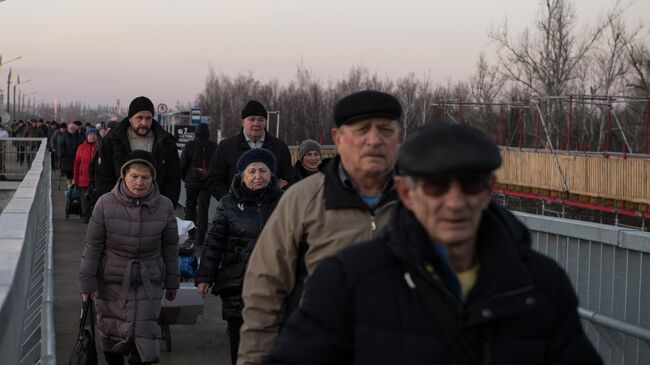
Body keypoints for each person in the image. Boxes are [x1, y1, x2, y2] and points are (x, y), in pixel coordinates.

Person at [265, 122, 603, 365]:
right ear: (406, 194)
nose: (455, 202)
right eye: (437, 187)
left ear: (489, 190)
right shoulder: (347, 280)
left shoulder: (543, 286)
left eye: (470, 186)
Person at [237, 90, 403, 365]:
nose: (374, 140)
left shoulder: (423, 202)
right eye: (362, 130)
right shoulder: (303, 199)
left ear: (399, 139)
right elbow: (264, 289)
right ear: (338, 139)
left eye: (385, 129)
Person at [79, 150, 180, 365]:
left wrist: (173, 280)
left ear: (153, 179)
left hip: (148, 280)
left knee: (144, 338)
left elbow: (170, 248)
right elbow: (93, 247)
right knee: (112, 334)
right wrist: (87, 283)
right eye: (134, 176)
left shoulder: (164, 206)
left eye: (145, 177)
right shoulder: (105, 203)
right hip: (112, 281)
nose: (139, 182)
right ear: (124, 175)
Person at [195, 148, 283, 365]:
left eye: (263, 171)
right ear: (242, 175)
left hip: (276, 283)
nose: (257, 176)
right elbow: (214, 242)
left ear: (271, 174)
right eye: (251, 171)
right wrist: (205, 275)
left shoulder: (286, 201)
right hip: (237, 283)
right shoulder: (228, 203)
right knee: (241, 345)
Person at [94, 96, 181, 207]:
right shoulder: (112, 141)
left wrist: (166, 207)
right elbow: (103, 178)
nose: (144, 123)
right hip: (119, 210)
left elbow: (173, 180)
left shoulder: (165, 142)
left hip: (155, 210)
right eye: (139, 118)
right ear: (130, 118)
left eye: (148, 118)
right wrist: (109, 207)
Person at [206, 100, 294, 201]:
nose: (256, 123)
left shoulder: (279, 147)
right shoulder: (226, 147)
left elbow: (289, 179)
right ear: (243, 122)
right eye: (252, 119)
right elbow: (213, 179)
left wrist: (278, 196)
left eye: (261, 120)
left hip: (271, 212)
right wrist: (230, 202)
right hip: (236, 212)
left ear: (265, 122)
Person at [180, 123, 217, 245]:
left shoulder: (190, 145)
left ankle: (190, 234)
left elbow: (183, 164)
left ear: (196, 132)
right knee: (203, 209)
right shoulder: (213, 146)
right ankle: (200, 237)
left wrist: (185, 178)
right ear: (208, 133)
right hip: (207, 184)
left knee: (190, 207)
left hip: (191, 182)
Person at [73, 128, 98, 223]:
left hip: (96, 178)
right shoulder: (81, 147)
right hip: (83, 178)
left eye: (94, 134)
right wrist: (76, 180)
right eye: (90, 134)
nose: (92, 136)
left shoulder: (100, 147)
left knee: (95, 198)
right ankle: (85, 216)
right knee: (84, 200)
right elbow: (76, 164)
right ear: (87, 136)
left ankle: (94, 217)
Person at [59, 123, 84, 187]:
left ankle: (74, 184)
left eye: (73, 129)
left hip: (76, 156)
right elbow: (62, 146)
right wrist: (64, 153)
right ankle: (69, 184)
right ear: (68, 129)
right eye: (70, 129)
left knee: (75, 171)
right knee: (68, 172)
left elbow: (81, 144)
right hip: (67, 157)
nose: (72, 131)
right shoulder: (65, 136)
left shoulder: (78, 136)